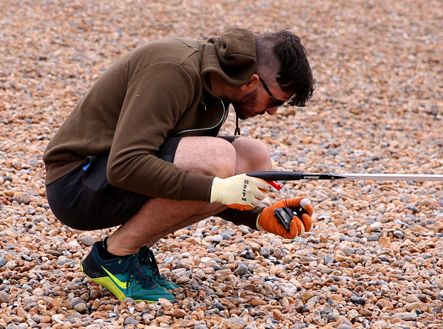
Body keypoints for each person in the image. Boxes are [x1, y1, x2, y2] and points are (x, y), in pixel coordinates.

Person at [42, 28, 315, 303]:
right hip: (76, 185)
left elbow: (196, 180)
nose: (273, 111)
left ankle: (133, 253)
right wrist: (218, 188)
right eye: (275, 101)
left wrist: (257, 216)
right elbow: (125, 165)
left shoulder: (219, 82)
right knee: (217, 156)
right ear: (251, 81)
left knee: (252, 155)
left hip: (108, 181)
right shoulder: (175, 69)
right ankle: (113, 258)